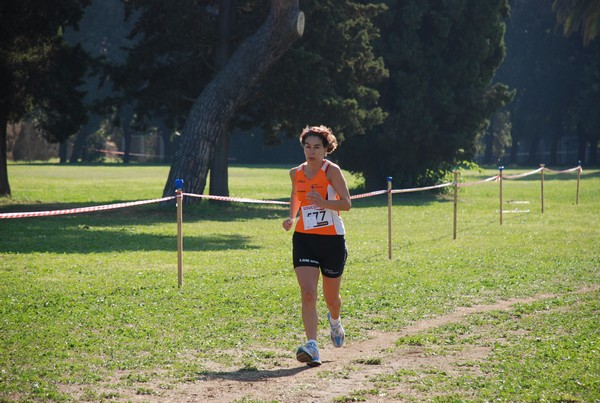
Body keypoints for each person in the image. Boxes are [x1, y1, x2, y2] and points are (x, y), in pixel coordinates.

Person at [282, 125, 352, 367]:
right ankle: (312, 345)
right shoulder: (296, 172)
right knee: (308, 293)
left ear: (326, 150)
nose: (311, 152)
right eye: (307, 147)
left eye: (316, 147)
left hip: (332, 240)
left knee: (331, 298)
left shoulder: (332, 171)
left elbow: (347, 204)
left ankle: (335, 320)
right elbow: (296, 195)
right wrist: (292, 217)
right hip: (304, 239)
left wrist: (323, 202)